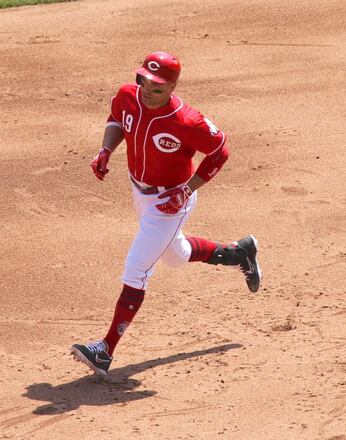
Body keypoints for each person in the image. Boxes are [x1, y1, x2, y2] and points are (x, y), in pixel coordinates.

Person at [71, 51, 262, 377]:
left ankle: (105, 350)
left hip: (170, 202)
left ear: (173, 86)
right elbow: (117, 119)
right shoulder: (128, 95)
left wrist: (187, 190)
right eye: (146, 80)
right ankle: (240, 252)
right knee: (176, 255)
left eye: (158, 87)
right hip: (139, 193)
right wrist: (106, 150)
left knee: (136, 269)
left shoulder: (188, 121)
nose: (149, 90)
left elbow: (220, 151)